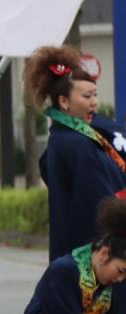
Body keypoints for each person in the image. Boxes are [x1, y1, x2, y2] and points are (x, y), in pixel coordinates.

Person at [30, 45, 126, 261]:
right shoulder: (77, 144)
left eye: (95, 95)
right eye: (86, 96)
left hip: (73, 254)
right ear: (63, 102)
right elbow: (99, 205)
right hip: (93, 259)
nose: (94, 102)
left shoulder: (64, 139)